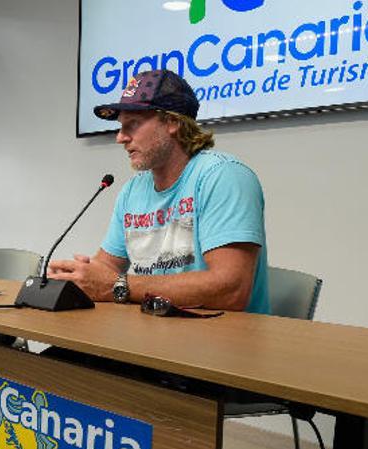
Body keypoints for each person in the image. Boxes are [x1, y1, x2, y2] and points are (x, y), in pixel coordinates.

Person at [49, 69, 269, 313]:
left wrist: (116, 285)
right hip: (151, 333)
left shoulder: (223, 176)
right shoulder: (133, 190)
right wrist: (79, 276)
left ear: (172, 122)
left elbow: (231, 291)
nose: (120, 137)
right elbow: (106, 268)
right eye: (121, 126)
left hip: (220, 341)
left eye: (132, 124)